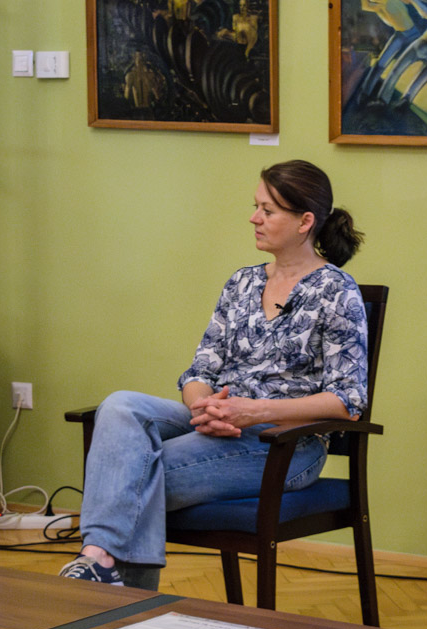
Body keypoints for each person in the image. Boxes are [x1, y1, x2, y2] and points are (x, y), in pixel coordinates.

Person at [61, 159, 368, 592]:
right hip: (223, 423)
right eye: (255, 206)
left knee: (129, 472)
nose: (254, 218)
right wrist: (205, 407)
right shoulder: (241, 283)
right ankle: (109, 573)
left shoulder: (337, 290)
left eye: (267, 210)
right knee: (120, 406)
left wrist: (253, 412)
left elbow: (348, 400)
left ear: (305, 222)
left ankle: (105, 570)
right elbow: (199, 370)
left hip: (285, 446)